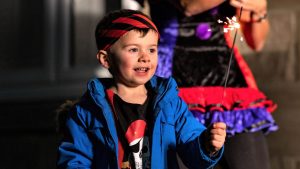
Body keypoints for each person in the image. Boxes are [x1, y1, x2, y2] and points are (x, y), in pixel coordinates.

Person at [56, 9, 227, 169]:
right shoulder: (86, 112)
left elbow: (193, 152)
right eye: (133, 49)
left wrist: (207, 145)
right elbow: (75, 160)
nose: (145, 57)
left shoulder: (170, 103)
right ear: (106, 59)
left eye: (151, 49)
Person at [131, 0, 278, 169]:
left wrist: (260, 10)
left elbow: (257, 43)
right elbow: (188, 6)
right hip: (174, 84)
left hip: (228, 85)